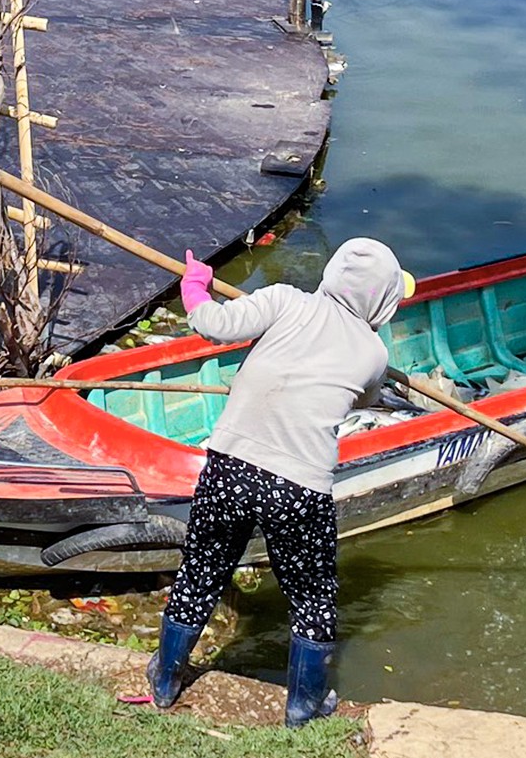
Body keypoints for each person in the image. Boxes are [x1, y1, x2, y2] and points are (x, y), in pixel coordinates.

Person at [146, 237, 408, 727]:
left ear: (331, 275)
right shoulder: (373, 352)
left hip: (231, 466)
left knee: (201, 572)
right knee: (312, 596)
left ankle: (165, 680)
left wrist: (196, 285)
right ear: (382, 301)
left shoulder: (284, 298)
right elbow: (363, 403)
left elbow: (212, 324)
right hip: (299, 486)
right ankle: (302, 706)